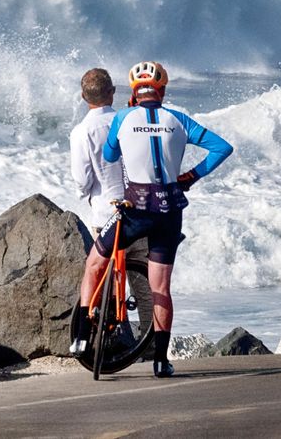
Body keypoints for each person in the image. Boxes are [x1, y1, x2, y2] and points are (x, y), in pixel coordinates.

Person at [70, 61, 234, 378]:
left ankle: (82, 334)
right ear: (163, 90)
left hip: (136, 210)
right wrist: (189, 176)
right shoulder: (178, 119)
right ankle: (161, 360)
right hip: (170, 210)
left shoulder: (123, 118)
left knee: (95, 264)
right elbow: (222, 148)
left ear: (133, 91)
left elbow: (109, 156)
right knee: (161, 287)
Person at [69, 68, 125, 249]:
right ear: (112, 92)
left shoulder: (81, 131)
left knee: (104, 274)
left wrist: (83, 193)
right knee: (141, 275)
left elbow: (82, 180)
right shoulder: (130, 121)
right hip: (141, 211)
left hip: (105, 214)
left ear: (83, 97)